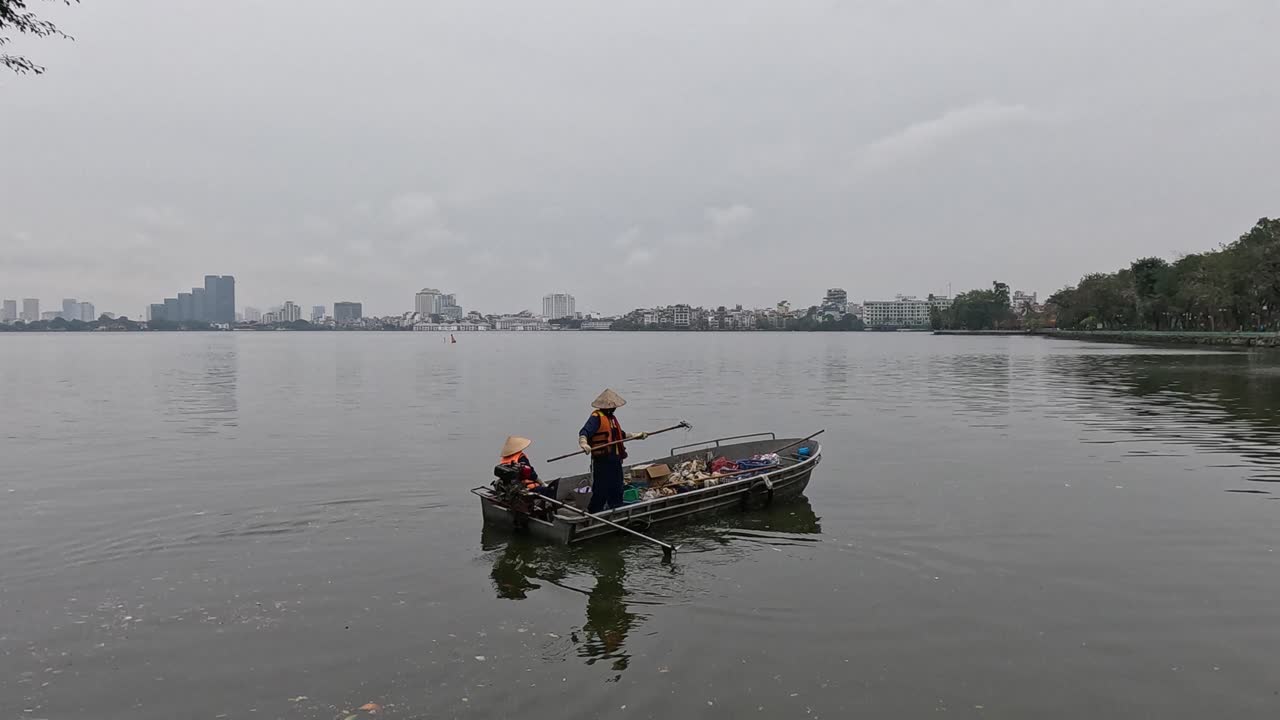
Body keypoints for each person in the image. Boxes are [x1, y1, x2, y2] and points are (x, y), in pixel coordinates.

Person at [578, 389, 648, 513]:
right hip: (602, 460)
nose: (615, 408)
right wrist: (583, 443)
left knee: (617, 486)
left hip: (615, 460)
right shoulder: (596, 418)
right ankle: (594, 512)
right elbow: (584, 432)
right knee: (601, 488)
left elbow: (621, 435)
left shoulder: (611, 419)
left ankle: (616, 508)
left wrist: (637, 435)